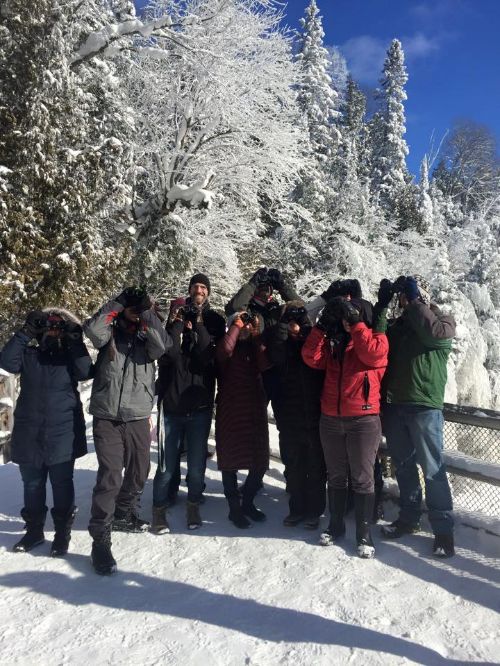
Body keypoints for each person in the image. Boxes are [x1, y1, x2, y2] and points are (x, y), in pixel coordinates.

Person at [84, 286, 169, 575]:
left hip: (137, 414)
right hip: (107, 415)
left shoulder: (148, 338)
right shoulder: (109, 335)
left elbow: (163, 344)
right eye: (131, 308)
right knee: (110, 474)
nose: (133, 311)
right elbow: (93, 330)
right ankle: (100, 538)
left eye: (137, 307)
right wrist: (118, 301)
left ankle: (124, 511)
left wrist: (147, 310)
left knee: (140, 469)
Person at [302, 296, 388, 558]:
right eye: (345, 315)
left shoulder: (375, 338)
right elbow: (310, 357)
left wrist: (357, 324)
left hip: (363, 420)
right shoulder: (334, 344)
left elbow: (373, 356)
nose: (347, 320)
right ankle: (336, 525)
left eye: (354, 314)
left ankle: (364, 535)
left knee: (362, 479)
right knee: (336, 476)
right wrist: (321, 328)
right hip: (330, 418)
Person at [0, 308, 92, 556]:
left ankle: (62, 532)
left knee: (62, 483)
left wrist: (75, 339)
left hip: (63, 430)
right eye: (48, 324)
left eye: (58, 325)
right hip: (30, 430)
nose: (53, 329)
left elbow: (85, 371)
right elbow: (6, 362)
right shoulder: (30, 354)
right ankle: (34, 531)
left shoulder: (69, 356)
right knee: (32, 484)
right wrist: (26, 332)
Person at [377, 275, 456, 558]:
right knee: (404, 466)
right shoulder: (401, 327)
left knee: (433, 469)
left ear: (422, 297)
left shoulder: (442, 323)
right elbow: (379, 342)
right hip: (395, 406)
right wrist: (382, 306)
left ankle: (443, 531)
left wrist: (415, 300)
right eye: (404, 298)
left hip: (424, 407)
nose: (405, 302)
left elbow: (430, 333)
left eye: (409, 297)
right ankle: (408, 518)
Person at [152, 273, 225, 534]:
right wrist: (178, 323)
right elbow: (169, 352)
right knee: (166, 465)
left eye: (204, 287)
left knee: (196, 466)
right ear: (189, 289)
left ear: (209, 292)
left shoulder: (215, 320)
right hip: (172, 404)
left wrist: (201, 323)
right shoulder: (176, 318)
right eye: (195, 286)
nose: (199, 291)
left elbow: (207, 354)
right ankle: (158, 509)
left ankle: (193, 502)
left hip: (200, 404)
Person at [268, 301, 326, 529]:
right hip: (289, 416)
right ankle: (297, 509)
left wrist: (305, 327)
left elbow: (317, 355)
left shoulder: (311, 341)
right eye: (289, 319)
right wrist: (283, 326)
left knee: (315, 467)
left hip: (313, 416)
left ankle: (314, 511)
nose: (294, 324)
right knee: (294, 467)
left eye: (297, 318)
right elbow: (276, 355)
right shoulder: (280, 343)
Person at [215, 312, 270, 528]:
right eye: (240, 325)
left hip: (254, 410)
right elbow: (225, 350)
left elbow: (265, 364)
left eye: (246, 324)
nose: (245, 327)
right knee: (229, 462)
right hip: (231, 409)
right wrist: (236, 325)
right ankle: (234, 509)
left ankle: (247, 502)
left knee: (260, 461)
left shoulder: (254, 347)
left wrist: (256, 333)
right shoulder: (225, 347)